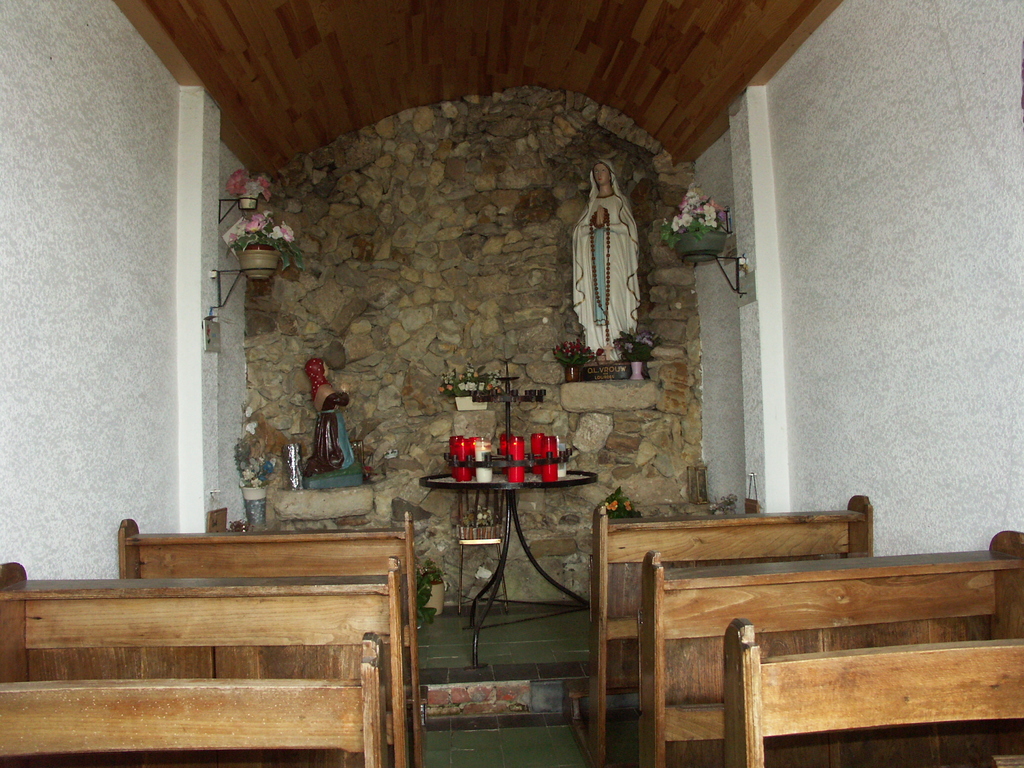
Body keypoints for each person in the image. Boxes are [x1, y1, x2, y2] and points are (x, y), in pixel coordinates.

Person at [572, 160, 640, 353]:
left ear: (611, 175)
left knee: (616, 301)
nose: (599, 174)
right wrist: (593, 227)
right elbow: (578, 233)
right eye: (596, 171)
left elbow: (630, 233)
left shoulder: (619, 202)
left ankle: (618, 350)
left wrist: (608, 226)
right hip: (595, 263)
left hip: (616, 261)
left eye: (603, 170)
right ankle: (597, 349)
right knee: (595, 302)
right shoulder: (591, 204)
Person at [302, 358, 355, 477]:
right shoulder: (324, 389)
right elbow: (342, 401)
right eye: (325, 366)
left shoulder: (318, 387)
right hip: (331, 421)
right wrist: (345, 392)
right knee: (336, 442)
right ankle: (339, 461)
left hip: (327, 420)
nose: (327, 369)